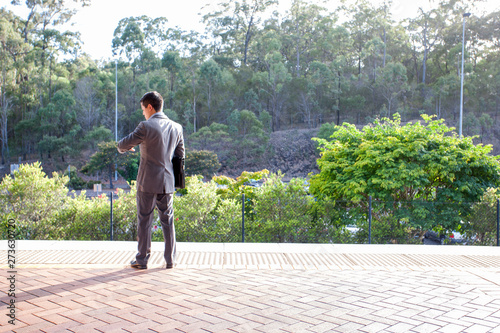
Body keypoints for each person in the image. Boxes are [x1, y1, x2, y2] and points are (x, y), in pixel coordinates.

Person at [117, 91, 184, 269]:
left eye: (143, 109)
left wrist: (128, 147)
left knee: (144, 221)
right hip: (167, 182)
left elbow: (122, 145)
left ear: (150, 107)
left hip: (147, 182)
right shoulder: (177, 127)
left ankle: (142, 260)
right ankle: (170, 260)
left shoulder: (145, 127)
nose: (143, 113)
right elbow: (180, 156)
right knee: (168, 221)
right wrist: (175, 180)